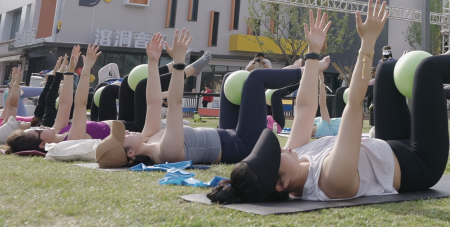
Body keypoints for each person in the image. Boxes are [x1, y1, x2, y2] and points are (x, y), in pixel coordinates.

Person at [206, 0, 450, 204]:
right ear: (281, 184)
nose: (282, 148)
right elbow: (353, 107)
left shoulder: (293, 158)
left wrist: (311, 54)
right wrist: (368, 43)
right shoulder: (331, 180)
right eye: (277, 154)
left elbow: (305, 107)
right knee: (427, 70)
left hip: (389, 146)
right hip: (419, 165)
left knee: (388, 70)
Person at [96, 28, 320, 168]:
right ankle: (309, 69)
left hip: (227, 133)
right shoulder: (165, 152)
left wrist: (154, 62)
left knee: (229, 80)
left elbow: (153, 101)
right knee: (255, 79)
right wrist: (180, 63)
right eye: (122, 137)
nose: (126, 131)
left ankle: (304, 70)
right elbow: (174, 105)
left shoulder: (148, 137)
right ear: (131, 153)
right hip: (243, 145)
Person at [4, 45, 112, 151]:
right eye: (38, 130)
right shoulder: (72, 139)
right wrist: (86, 69)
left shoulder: (57, 132)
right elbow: (81, 104)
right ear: (42, 144)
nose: (41, 126)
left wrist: (70, 70)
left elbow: (64, 103)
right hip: (125, 128)